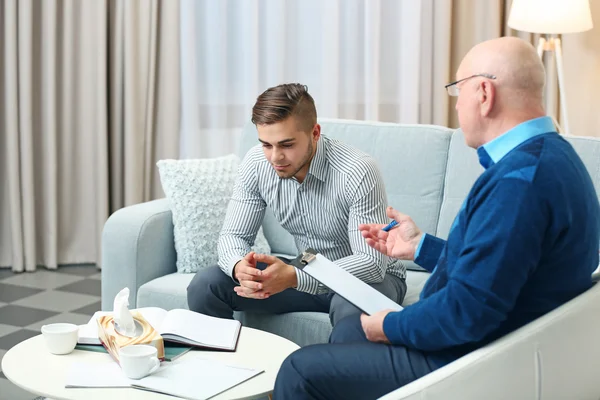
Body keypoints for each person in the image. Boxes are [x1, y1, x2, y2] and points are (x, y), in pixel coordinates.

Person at [273, 37, 600, 399]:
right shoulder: (552, 158)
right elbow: (502, 266)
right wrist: (421, 247)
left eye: (458, 92)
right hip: (494, 338)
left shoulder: (518, 184)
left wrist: (392, 325)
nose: (458, 106)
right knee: (350, 332)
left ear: (484, 93)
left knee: (299, 370)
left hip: (468, 358)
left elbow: (467, 312)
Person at [187, 83, 407, 326]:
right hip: (306, 268)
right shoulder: (257, 163)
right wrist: (240, 267)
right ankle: (225, 363)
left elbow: (370, 263)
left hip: (371, 278)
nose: (275, 157)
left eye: (287, 145)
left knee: (350, 309)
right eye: (266, 144)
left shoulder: (357, 171)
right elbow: (232, 236)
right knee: (206, 284)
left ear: (315, 133)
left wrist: (294, 276)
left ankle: (322, 365)